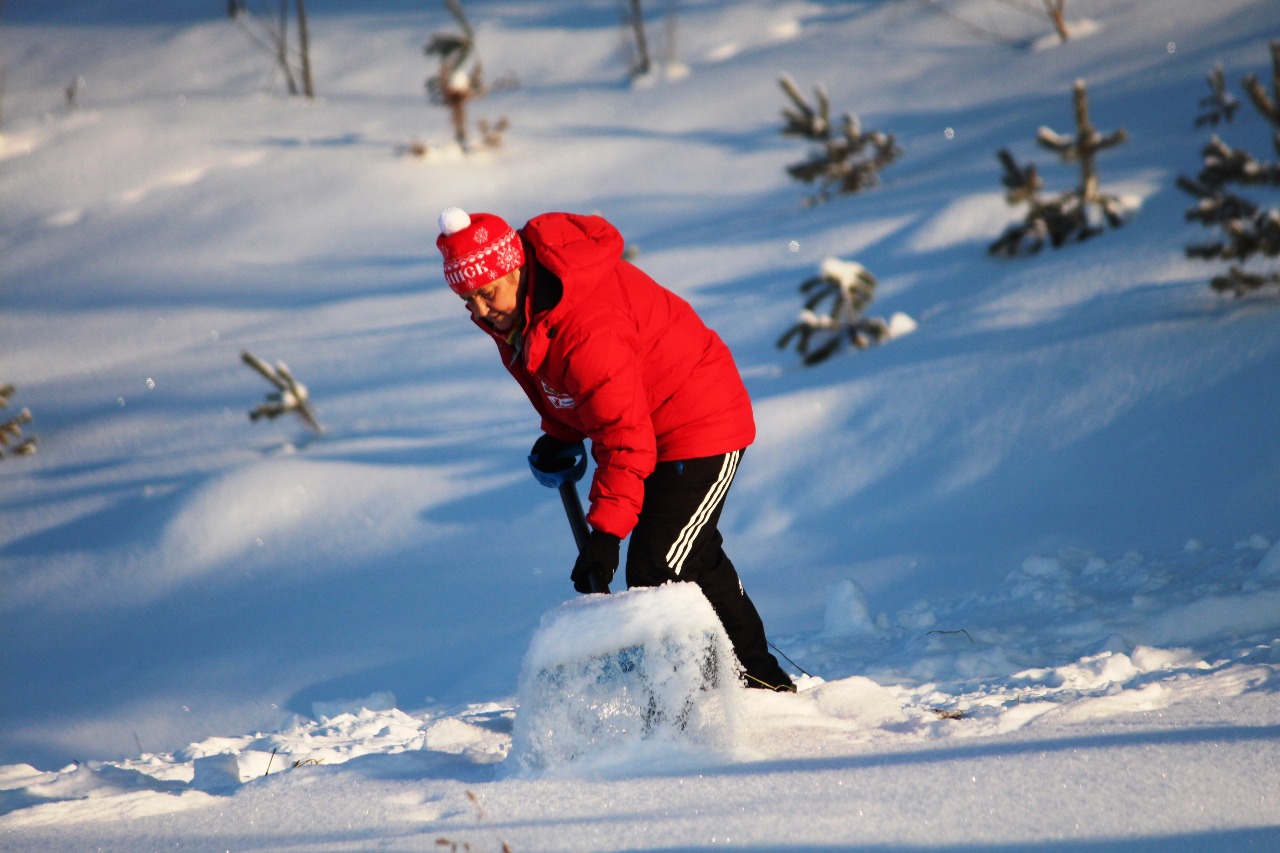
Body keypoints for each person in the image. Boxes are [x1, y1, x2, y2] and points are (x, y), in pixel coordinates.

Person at [435, 207, 795, 692]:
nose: (479, 310)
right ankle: (730, 680)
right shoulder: (522, 313)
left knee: (663, 564)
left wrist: (605, 534)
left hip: (699, 419)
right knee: (683, 556)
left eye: (486, 293)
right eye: (467, 299)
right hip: (648, 422)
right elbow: (571, 389)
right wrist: (561, 432)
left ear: (514, 268)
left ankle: (753, 680)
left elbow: (622, 432)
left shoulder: (585, 324)